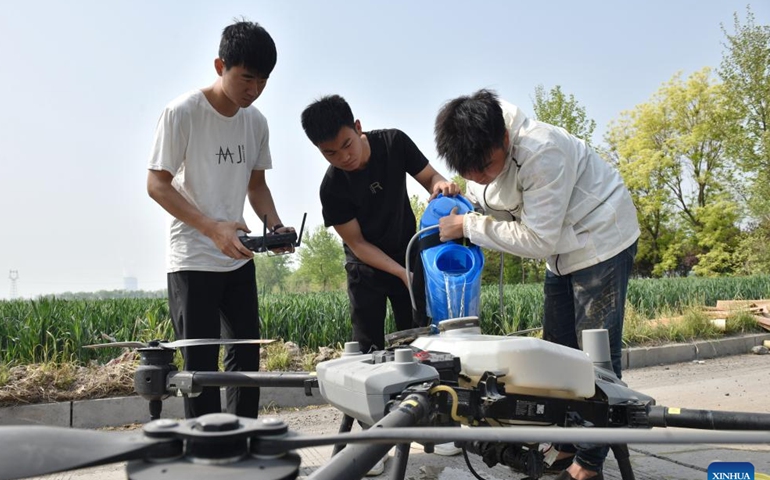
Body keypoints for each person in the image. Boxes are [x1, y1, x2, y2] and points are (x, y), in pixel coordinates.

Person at [434, 89, 639, 480]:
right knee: (557, 354)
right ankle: (564, 443)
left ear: (505, 141)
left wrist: (470, 226)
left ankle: (589, 463)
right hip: (561, 251)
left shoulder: (543, 151)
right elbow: (490, 193)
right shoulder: (481, 147)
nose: (478, 176)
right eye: (468, 171)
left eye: (485, 167)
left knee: (596, 359)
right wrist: (461, 194)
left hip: (600, 239)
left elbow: (537, 238)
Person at [146, 20, 293, 420]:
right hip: (193, 257)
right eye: (247, 78)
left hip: (238, 254)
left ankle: (243, 441)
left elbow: (256, 186)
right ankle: (205, 452)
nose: (255, 89)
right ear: (219, 66)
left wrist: (274, 227)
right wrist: (212, 228)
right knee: (200, 367)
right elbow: (157, 185)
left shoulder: (256, 122)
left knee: (247, 359)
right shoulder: (182, 113)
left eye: (263, 81)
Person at [301, 94, 460, 355]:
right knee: (368, 348)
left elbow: (431, 177)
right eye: (330, 153)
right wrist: (399, 273)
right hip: (365, 268)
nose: (344, 157)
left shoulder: (393, 143)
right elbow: (358, 243)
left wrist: (440, 184)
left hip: (407, 252)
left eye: (347, 145)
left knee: (418, 340)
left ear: (358, 127)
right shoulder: (332, 189)